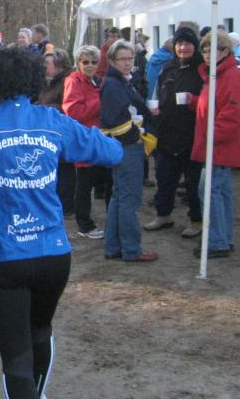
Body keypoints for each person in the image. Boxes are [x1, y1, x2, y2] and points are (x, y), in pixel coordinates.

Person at [0, 47, 122, 399]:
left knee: (16, 356)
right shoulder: (52, 121)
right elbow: (111, 153)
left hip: (2, 258)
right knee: (40, 330)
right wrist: (118, 135)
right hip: (52, 255)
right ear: (36, 80)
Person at [191, 32, 240, 258]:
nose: (206, 55)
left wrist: (211, 137)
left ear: (224, 51)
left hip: (218, 146)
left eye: (211, 50)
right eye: (204, 51)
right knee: (220, 192)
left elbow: (233, 114)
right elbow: (216, 105)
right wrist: (194, 102)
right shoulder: (217, 74)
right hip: (217, 144)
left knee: (210, 192)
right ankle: (223, 238)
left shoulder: (229, 76)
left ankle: (217, 241)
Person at [100, 39, 158, 262]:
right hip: (127, 146)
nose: (127, 62)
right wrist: (136, 138)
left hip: (122, 145)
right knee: (129, 199)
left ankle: (113, 246)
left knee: (119, 197)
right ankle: (132, 249)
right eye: (122, 59)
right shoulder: (114, 85)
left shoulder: (119, 82)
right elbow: (114, 119)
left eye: (130, 58)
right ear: (112, 61)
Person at [144, 27, 204, 238]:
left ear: (195, 46)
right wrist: (155, 109)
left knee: (193, 183)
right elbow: (156, 94)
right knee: (165, 179)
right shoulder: (168, 68)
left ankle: (196, 220)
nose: (183, 47)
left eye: (187, 43)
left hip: (192, 135)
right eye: (179, 43)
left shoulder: (202, 69)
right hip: (167, 133)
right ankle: (163, 215)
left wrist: (193, 101)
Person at [63, 45, 112, 239]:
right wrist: (101, 102)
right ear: (78, 63)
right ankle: (84, 226)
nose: (90, 65)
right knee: (84, 184)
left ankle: (111, 220)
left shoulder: (97, 81)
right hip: (84, 140)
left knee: (106, 179)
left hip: (99, 138)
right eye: (85, 62)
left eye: (94, 62)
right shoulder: (73, 81)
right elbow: (73, 112)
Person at [39, 49, 76, 215]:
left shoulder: (68, 81)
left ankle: (66, 205)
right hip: (50, 130)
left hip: (62, 132)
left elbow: (67, 107)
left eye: (48, 63)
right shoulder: (50, 81)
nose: (45, 66)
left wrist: (42, 108)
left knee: (65, 170)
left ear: (59, 64)